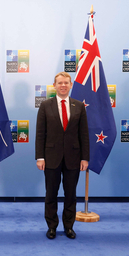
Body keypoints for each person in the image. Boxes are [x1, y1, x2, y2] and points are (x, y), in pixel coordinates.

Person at [35, 72, 89, 240]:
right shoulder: (45, 105)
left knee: (71, 194)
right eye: (60, 83)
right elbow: (40, 134)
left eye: (66, 82)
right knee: (51, 193)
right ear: (54, 85)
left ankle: (69, 226)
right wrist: (40, 157)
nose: (63, 85)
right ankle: (52, 226)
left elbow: (84, 135)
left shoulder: (79, 106)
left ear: (71, 85)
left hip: (73, 157)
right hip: (51, 157)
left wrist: (85, 158)